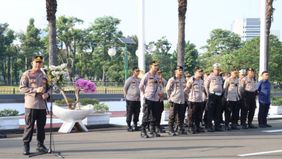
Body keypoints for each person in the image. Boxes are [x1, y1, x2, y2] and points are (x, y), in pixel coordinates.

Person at [19, 55, 49, 155]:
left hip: (42, 105)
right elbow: (22, 88)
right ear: (32, 63)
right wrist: (35, 90)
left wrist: (47, 94)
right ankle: (26, 146)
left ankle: (40, 146)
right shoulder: (26, 74)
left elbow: (50, 88)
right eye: (36, 62)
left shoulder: (46, 75)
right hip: (31, 105)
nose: (38, 64)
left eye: (40, 62)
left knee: (41, 127)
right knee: (29, 127)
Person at [139, 61, 162, 138]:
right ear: (151, 66)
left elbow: (159, 85)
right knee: (146, 115)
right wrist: (145, 94)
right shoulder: (146, 75)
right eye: (155, 65)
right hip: (148, 98)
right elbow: (141, 86)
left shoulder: (157, 76)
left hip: (155, 98)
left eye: (157, 65)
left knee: (154, 115)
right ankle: (143, 131)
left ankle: (152, 130)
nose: (156, 67)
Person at [166, 66, 186, 136]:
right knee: (172, 115)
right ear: (176, 72)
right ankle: (170, 129)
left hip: (181, 100)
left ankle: (180, 128)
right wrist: (169, 98)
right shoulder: (172, 79)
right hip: (174, 99)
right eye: (179, 70)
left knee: (181, 115)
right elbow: (168, 89)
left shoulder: (183, 79)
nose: (181, 71)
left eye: (181, 70)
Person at [185, 67, 206, 134]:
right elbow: (186, 90)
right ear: (195, 72)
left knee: (199, 114)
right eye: (199, 72)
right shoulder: (191, 80)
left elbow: (203, 90)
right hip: (192, 100)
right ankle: (190, 127)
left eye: (201, 72)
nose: (200, 73)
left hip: (199, 100)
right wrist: (189, 97)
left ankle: (197, 126)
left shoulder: (201, 80)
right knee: (191, 115)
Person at [204, 63, 224, 132]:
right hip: (212, 95)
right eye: (216, 70)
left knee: (218, 111)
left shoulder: (220, 77)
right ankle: (209, 126)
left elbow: (222, 86)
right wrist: (208, 94)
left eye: (218, 70)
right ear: (213, 70)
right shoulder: (210, 77)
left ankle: (217, 126)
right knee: (210, 111)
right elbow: (206, 86)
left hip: (219, 95)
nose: (217, 71)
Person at [123, 67, 141, 132]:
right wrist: (126, 96)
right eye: (137, 71)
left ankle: (135, 124)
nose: (138, 72)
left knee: (137, 112)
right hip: (130, 99)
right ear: (133, 71)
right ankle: (128, 125)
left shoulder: (139, 80)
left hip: (137, 99)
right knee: (129, 112)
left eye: (138, 71)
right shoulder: (130, 79)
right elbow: (125, 88)